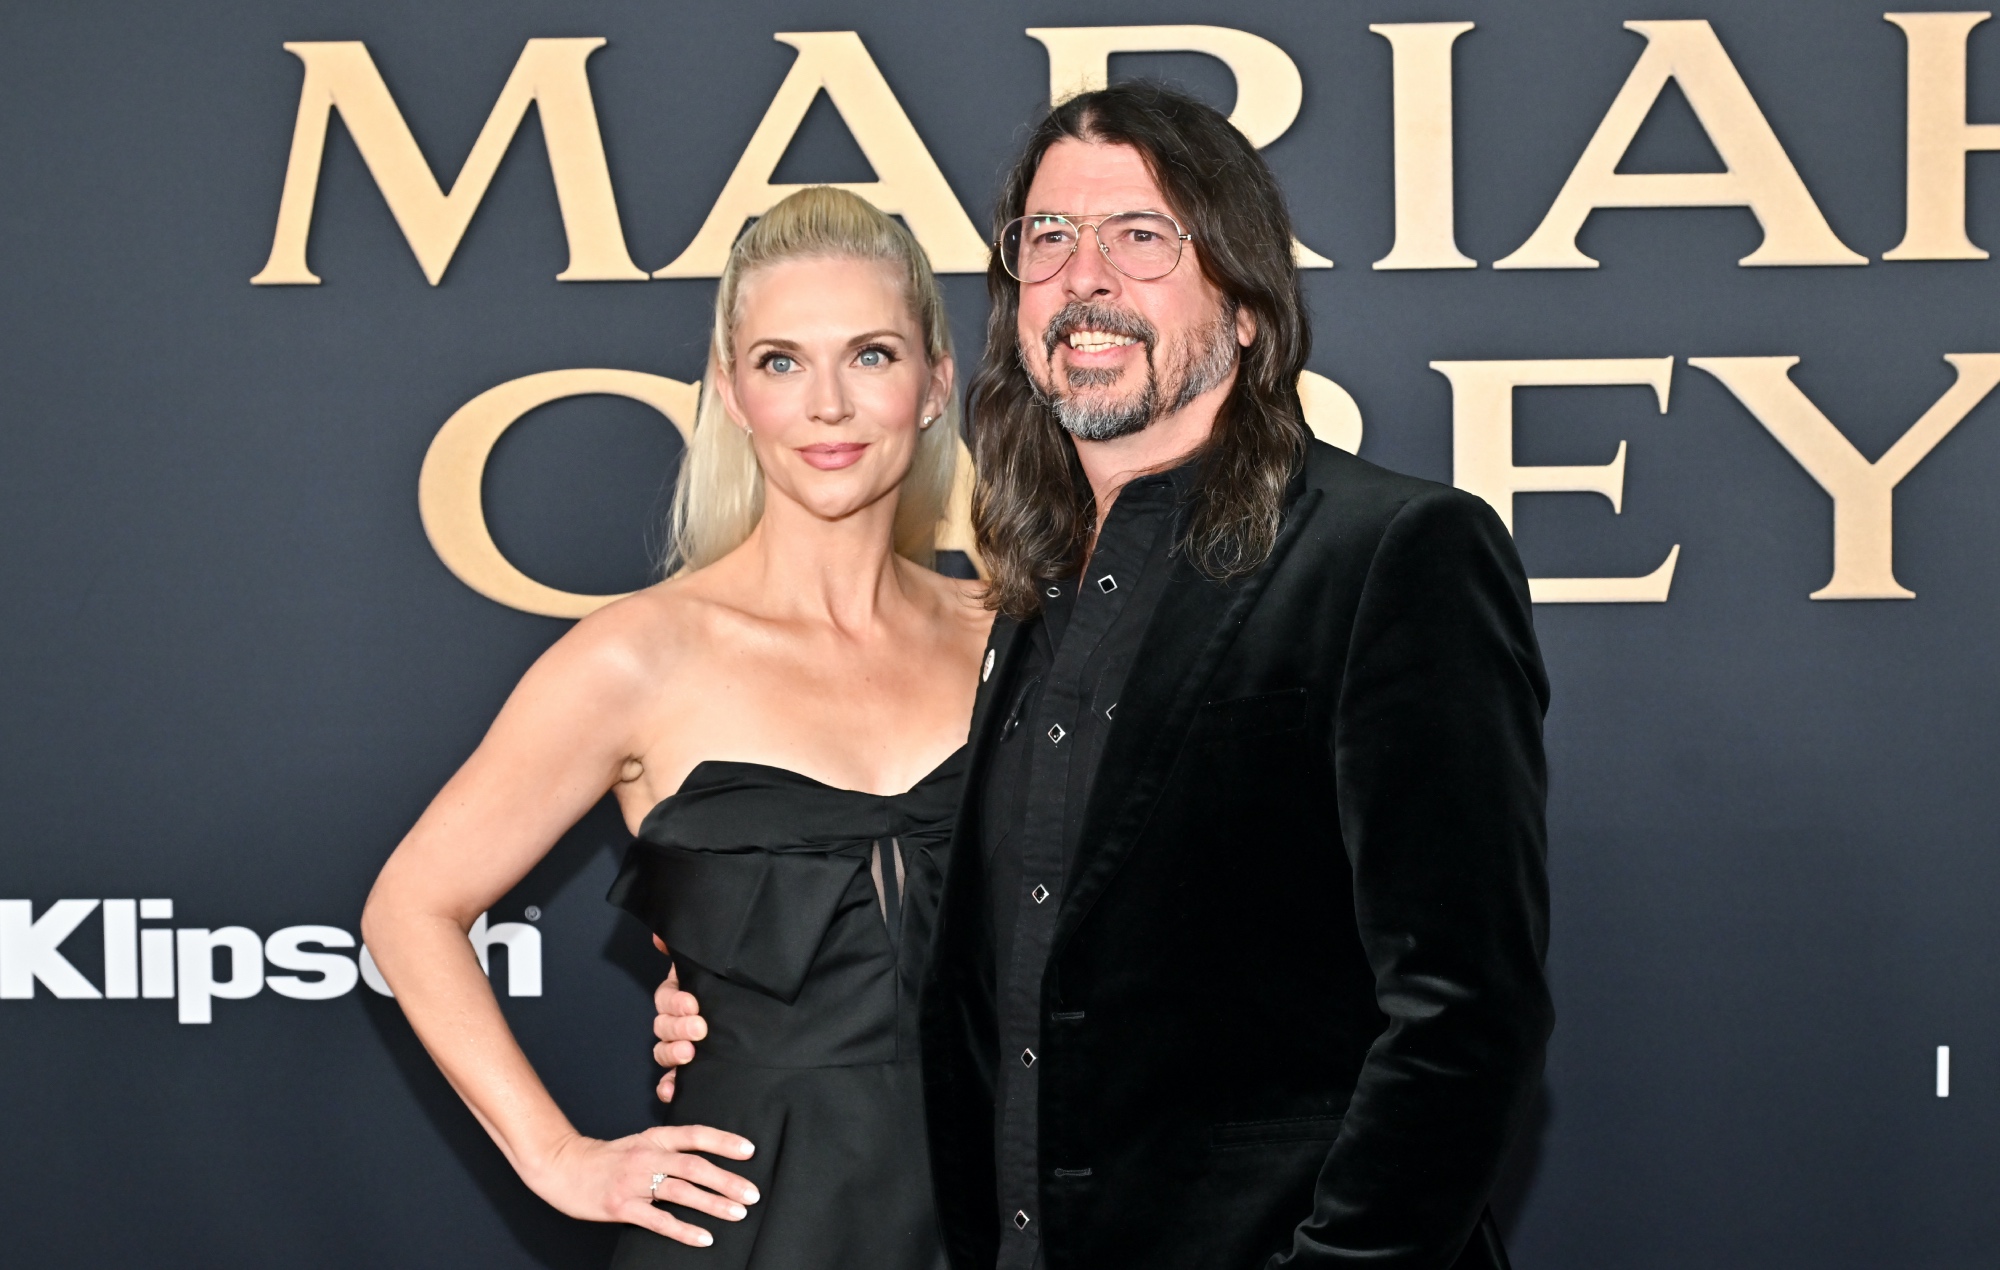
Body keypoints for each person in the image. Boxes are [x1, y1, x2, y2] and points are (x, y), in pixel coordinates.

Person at [655, 84, 1553, 1270]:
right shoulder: (1029, 593)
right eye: (1047, 238)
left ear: (1243, 301)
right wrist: (733, 989)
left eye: (1139, 236)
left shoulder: (1391, 552)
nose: (1084, 277)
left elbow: (1461, 1018)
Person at [362, 186, 990, 1269]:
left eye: (871, 355)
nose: (828, 405)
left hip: (1004, 1214)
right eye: (782, 362)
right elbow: (409, 909)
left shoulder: (1011, 639)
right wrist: (558, 1157)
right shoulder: (638, 656)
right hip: (751, 1226)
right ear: (731, 392)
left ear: (935, 384)